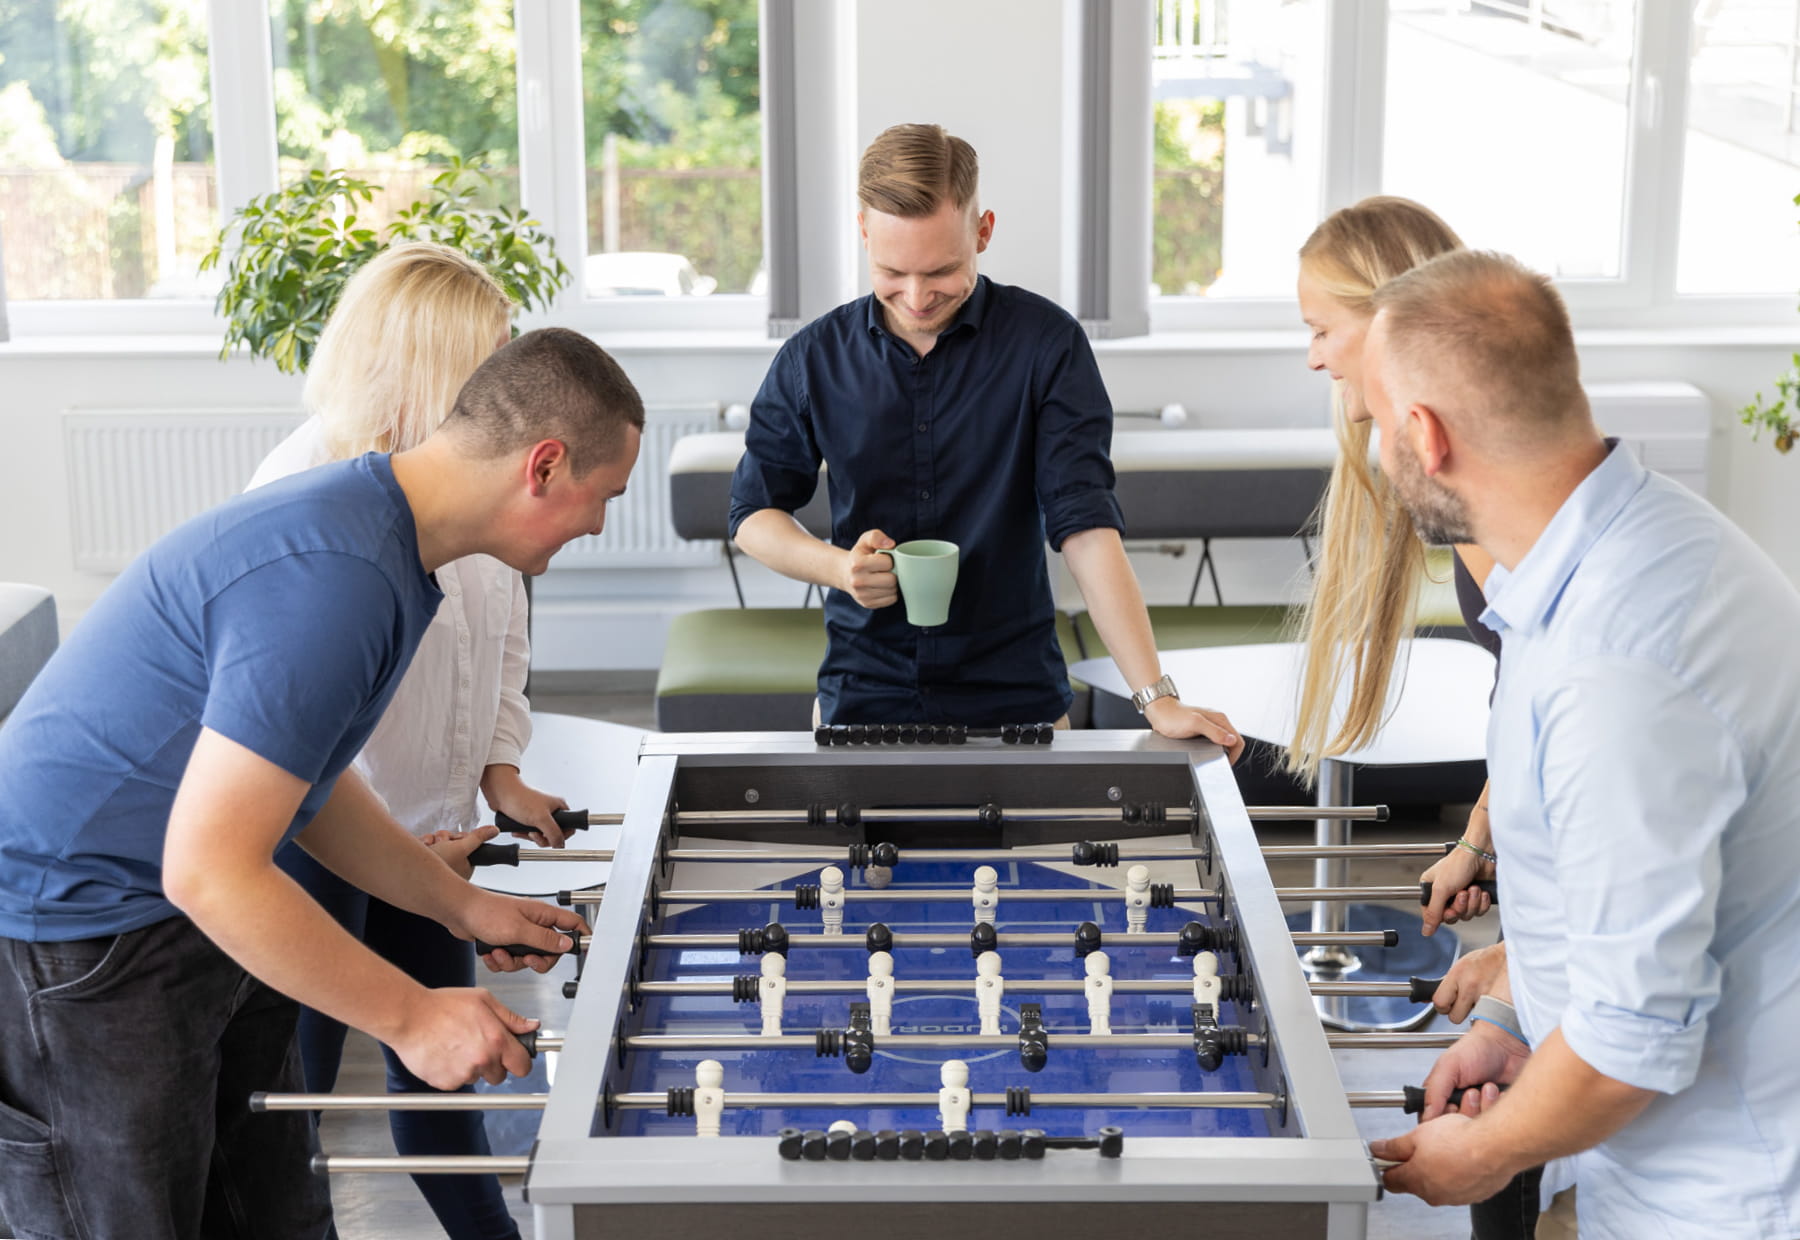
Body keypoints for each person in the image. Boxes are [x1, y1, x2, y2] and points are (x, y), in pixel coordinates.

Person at [0, 326, 643, 1239]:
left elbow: (313, 786)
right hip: (83, 933)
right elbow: (210, 870)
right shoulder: (335, 578)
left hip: (185, 907)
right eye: (604, 496)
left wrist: (462, 910)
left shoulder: (385, 547)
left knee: (275, 1215)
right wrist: (413, 1017)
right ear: (543, 467)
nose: (599, 525)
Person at [1361, 250, 1800, 1239]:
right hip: (1672, 1154)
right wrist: (1517, 1018)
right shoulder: (1628, 547)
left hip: (1733, 1190)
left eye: (1379, 424)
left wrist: (1478, 1153)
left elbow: (1633, 1038)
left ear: (1424, 437)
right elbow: (1625, 894)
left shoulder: (1621, 661)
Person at [245, 242, 570, 1240]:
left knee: (442, 1070)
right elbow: (303, 736)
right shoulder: (299, 494)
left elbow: (500, 636)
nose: (514, 377)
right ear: (430, 366)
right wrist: (410, 845)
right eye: (495, 355)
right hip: (313, 839)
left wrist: (499, 770)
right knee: (287, 1098)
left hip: (430, 831)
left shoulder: (469, 478)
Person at [729, 122, 1241, 754]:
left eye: (941, 270)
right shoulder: (812, 358)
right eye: (892, 271)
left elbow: (1085, 528)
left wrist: (1156, 699)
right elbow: (752, 513)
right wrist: (840, 569)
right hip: (863, 696)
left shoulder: (1047, 346)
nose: (916, 297)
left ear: (983, 231)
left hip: (1018, 701)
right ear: (863, 230)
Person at [1290, 196, 1497, 934]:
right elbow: (1532, 684)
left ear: (1390, 323)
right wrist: (1480, 839)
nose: (1314, 356)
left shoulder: (1459, 462)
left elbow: (1547, 684)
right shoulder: (1444, 448)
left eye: (1321, 330)